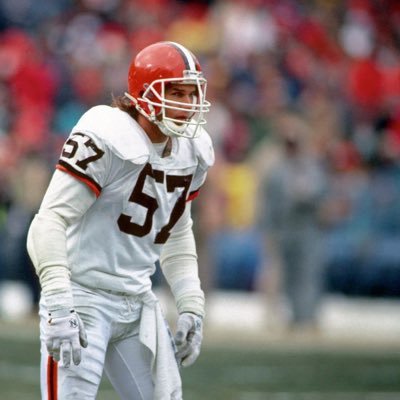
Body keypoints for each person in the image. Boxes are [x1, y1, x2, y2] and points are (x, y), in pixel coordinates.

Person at [26, 41, 214, 400]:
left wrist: (191, 303)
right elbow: (48, 221)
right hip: (83, 298)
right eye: (176, 93)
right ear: (144, 94)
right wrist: (58, 302)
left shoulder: (193, 150)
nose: (188, 105)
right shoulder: (108, 134)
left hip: (137, 300)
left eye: (193, 94)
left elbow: (177, 232)